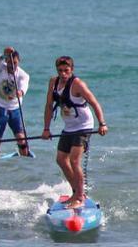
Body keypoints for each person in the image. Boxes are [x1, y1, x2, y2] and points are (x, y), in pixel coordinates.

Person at [41, 56, 108, 209]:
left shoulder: (77, 84)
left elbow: (94, 103)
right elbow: (49, 106)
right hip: (69, 127)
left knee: (74, 160)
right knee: (60, 159)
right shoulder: (53, 82)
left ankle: (79, 198)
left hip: (84, 126)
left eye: (66, 71)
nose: (63, 74)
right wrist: (46, 129)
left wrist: (102, 123)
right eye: (60, 71)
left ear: (72, 70)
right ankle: (76, 191)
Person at [0, 46, 31, 158]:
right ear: (6, 61)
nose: (12, 65)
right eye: (9, 62)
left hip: (14, 110)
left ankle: (25, 160)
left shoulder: (23, 75)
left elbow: (24, 85)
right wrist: (3, 55)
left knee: (21, 139)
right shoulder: (0, 69)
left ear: (19, 61)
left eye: (15, 63)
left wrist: (21, 92)